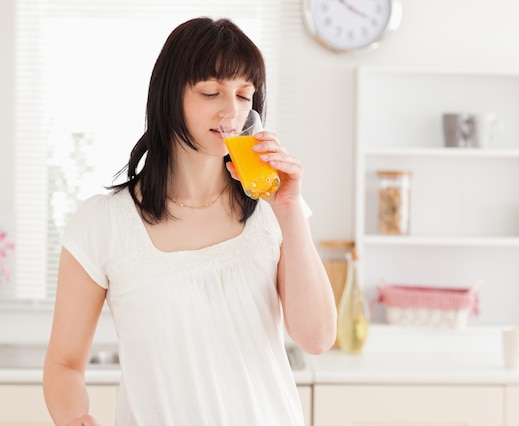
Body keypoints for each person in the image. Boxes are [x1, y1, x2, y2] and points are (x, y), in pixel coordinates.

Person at [42, 17, 337, 426]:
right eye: (211, 92)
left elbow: (317, 338)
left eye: (244, 95)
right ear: (169, 96)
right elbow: (63, 364)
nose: (231, 111)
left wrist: (289, 209)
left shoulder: (276, 208)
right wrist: (74, 418)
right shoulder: (103, 222)